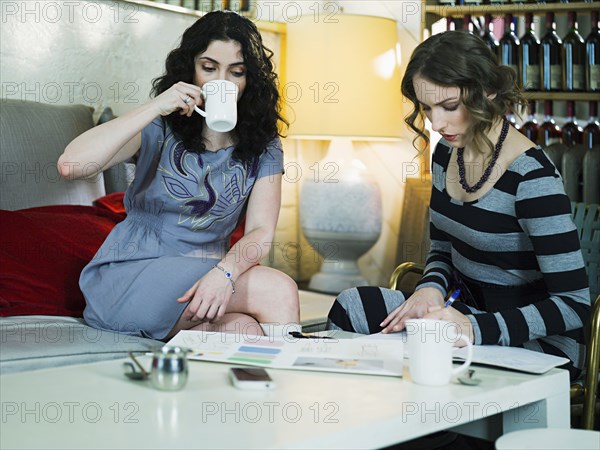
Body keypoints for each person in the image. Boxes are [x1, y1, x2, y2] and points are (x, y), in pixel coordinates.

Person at [326, 30, 590, 381]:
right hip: (464, 316)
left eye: (450, 106)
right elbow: (442, 248)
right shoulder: (445, 155)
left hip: (535, 340)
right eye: (427, 108)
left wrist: (472, 328)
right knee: (352, 305)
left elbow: (574, 306)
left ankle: (432, 434)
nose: (436, 124)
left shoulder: (532, 178)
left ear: (488, 91)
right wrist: (429, 289)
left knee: (427, 360)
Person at [58, 11, 300, 341]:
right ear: (190, 68)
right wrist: (156, 106)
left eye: (237, 72)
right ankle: (294, 385)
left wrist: (224, 273)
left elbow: (260, 232)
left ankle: (251, 391)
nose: (222, 84)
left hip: (205, 283)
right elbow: (71, 165)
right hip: (132, 275)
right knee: (277, 289)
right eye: (209, 68)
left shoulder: (264, 144)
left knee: (244, 331)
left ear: (250, 80)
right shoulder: (159, 127)